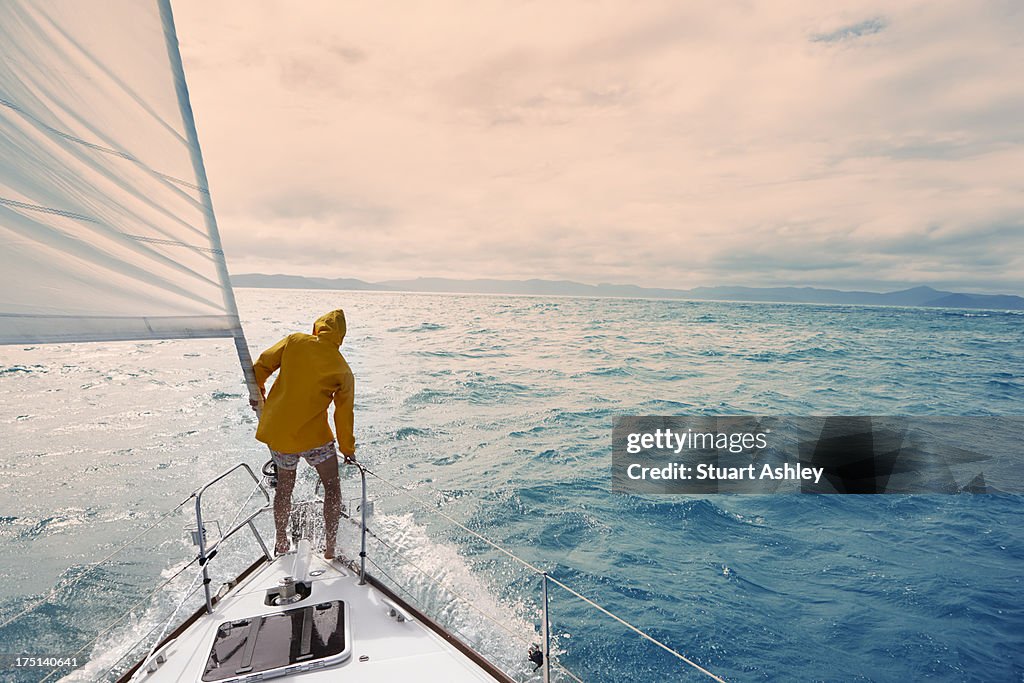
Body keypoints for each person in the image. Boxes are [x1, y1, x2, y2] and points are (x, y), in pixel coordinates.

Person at [252, 309, 356, 559]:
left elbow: (260, 366)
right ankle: (330, 548)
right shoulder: (343, 370)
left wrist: (259, 392)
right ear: (340, 336)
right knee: (332, 487)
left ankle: (281, 540)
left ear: (317, 327)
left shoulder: (294, 341)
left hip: (281, 434)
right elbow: (343, 415)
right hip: (315, 438)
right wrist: (347, 450)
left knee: (284, 489)